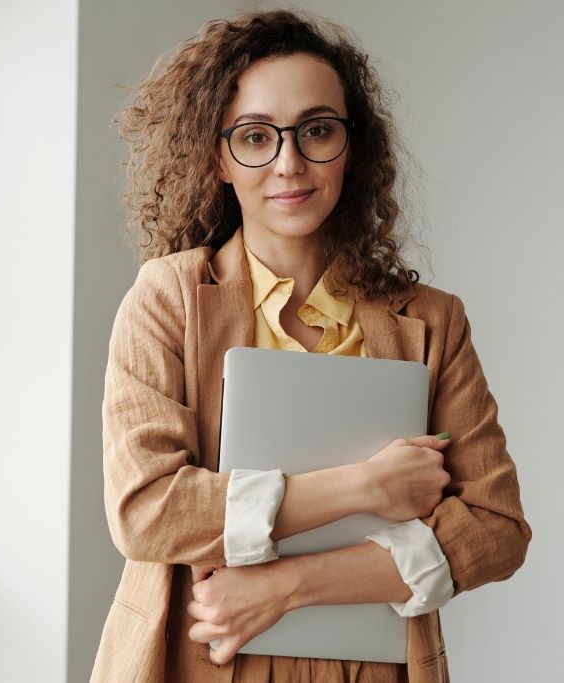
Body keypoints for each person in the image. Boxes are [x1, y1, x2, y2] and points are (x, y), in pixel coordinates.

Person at [93, 10, 530, 683]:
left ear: (351, 147)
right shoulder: (168, 300)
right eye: (256, 136)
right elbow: (148, 510)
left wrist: (285, 584)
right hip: (194, 659)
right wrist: (366, 484)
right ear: (217, 156)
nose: (289, 162)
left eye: (317, 130)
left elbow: (496, 529)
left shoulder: (433, 322)